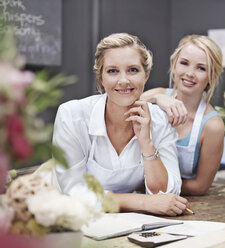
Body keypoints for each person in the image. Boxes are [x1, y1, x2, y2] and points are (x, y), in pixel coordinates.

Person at [53, 33, 189, 216]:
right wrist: (142, 201)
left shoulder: (159, 120)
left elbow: (166, 196)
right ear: (100, 77)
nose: (123, 80)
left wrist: (146, 143)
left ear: (146, 75)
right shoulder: (72, 115)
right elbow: (73, 193)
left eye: (133, 70)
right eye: (112, 71)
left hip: (117, 221)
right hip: (59, 214)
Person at [141, 35, 224, 195]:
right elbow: (120, 106)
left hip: (180, 202)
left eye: (201, 68)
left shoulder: (212, 126)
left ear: (211, 76)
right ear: (174, 65)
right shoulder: (157, 95)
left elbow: (200, 186)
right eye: (184, 63)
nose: (190, 73)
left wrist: (154, 187)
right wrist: (157, 98)